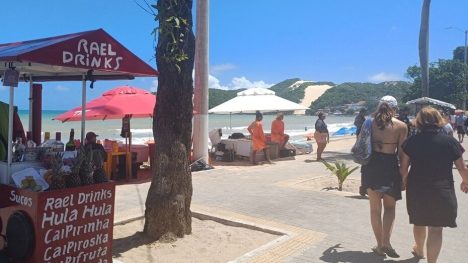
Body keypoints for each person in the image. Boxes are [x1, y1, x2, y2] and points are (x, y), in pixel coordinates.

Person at [400, 107, 468, 262]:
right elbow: (462, 167)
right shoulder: (450, 141)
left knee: (419, 221)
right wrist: (466, 181)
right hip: (442, 189)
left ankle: (419, 250)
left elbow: (403, 169)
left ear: (419, 122)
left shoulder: (410, 142)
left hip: (417, 188)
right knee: (436, 229)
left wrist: (402, 184)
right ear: (439, 120)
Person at [361, 96, 407, 258]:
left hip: (371, 167)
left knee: (374, 209)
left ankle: (380, 245)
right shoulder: (401, 126)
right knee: (390, 208)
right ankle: (386, 241)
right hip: (390, 167)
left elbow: (361, 145)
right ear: (394, 109)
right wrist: (403, 176)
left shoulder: (368, 123)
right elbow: (402, 155)